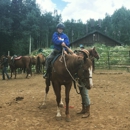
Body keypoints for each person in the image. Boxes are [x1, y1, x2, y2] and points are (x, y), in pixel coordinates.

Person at [77, 49, 91, 118]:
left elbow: (84, 69)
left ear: (85, 56)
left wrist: (80, 61)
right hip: (80, 79)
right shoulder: (79, 61)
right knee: (82, 94)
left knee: (85, 94)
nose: (79, 55)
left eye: (81, 54)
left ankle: (87, 111)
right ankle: (83, 109)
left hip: (85, 80)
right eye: (79, 54)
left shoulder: (88, 62)